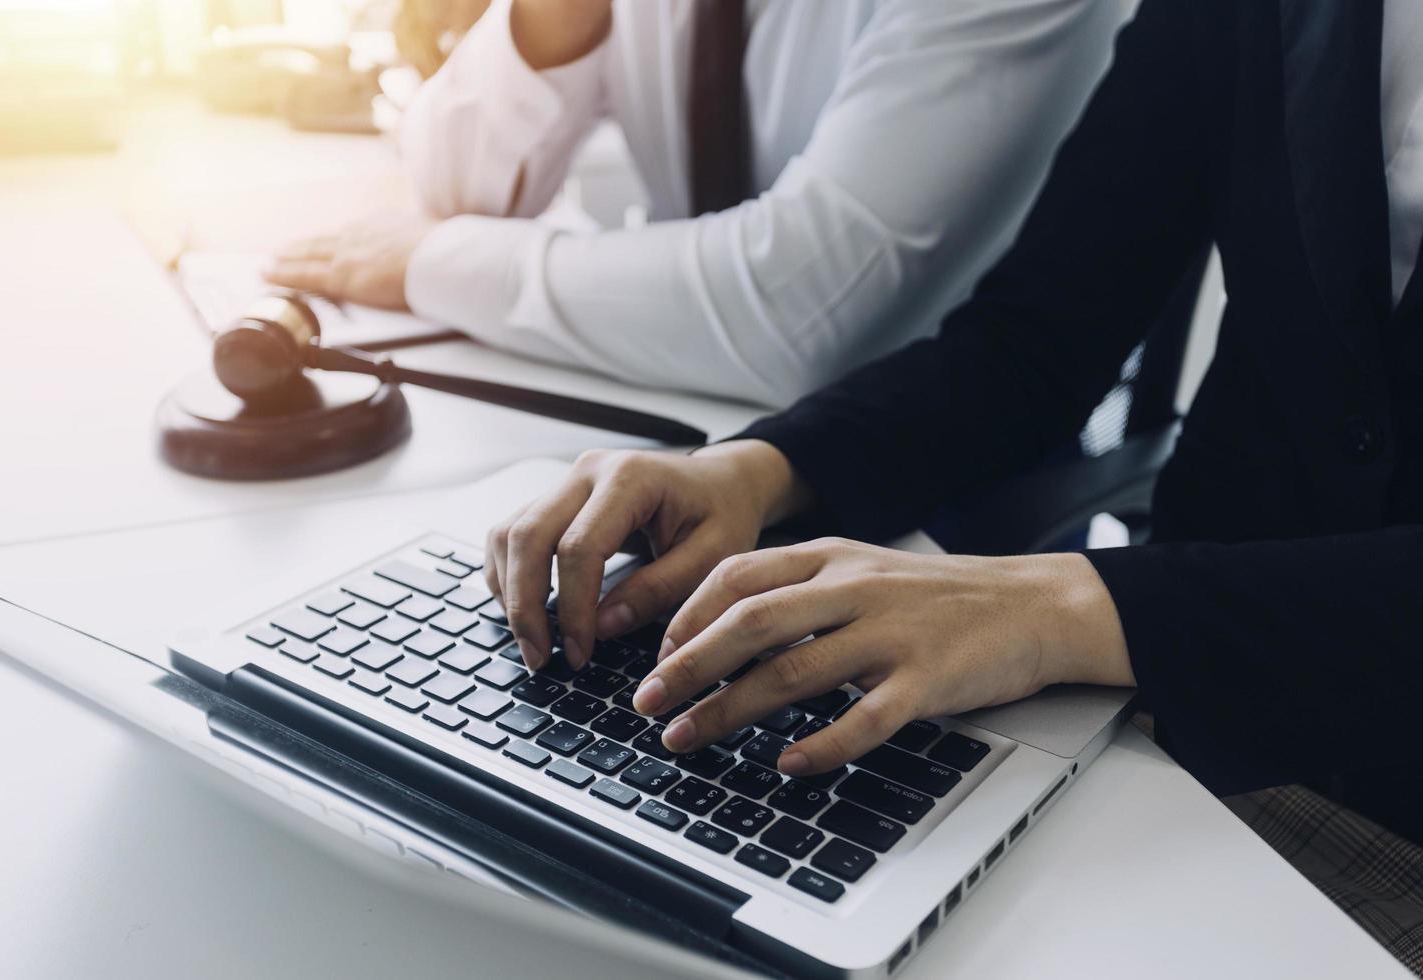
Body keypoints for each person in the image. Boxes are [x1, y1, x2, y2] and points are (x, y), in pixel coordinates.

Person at [486, 0, 1423, 955]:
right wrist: (759, 470)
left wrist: (1070, 607)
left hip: (1294, 740)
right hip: (1179, 737)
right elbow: (1036, 342)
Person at [265, 0, 1133, 405]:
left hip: (926, 500)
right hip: (675, 422)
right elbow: (456, 193)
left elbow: (791, 318)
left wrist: (431, 261)